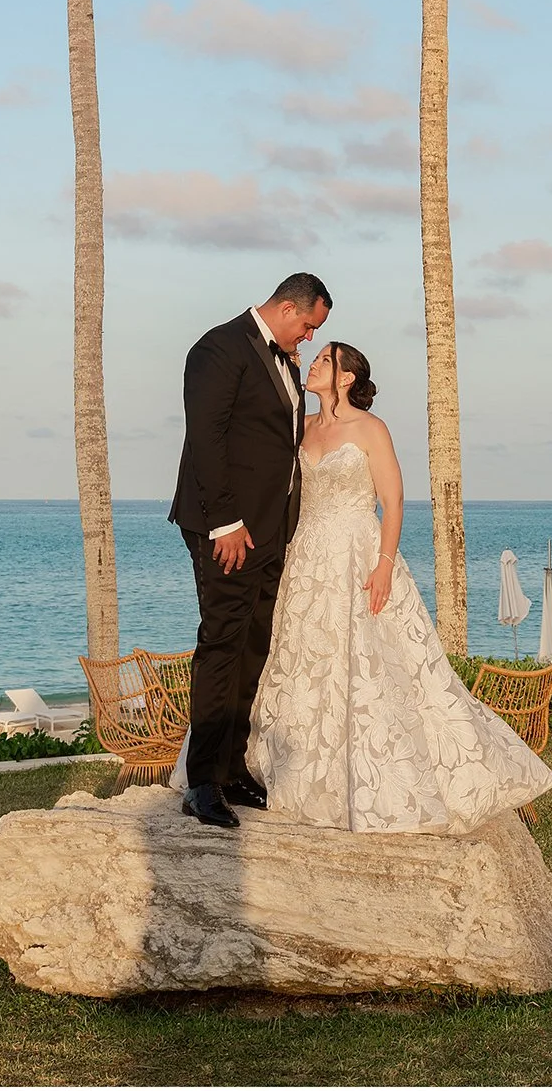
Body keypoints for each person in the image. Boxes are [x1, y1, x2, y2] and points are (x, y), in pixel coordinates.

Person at [245, 341, 552, 833]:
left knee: (376, 668)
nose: (315, 365)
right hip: (307, 555)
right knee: (308, 660)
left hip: (359, 553)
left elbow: (393, 502)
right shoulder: (302, 427)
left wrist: (384, 565)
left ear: (346, 377)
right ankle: (305, 779)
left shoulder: (371, 429)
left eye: (325, 360)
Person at [169, 272, 331, 828]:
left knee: (252, 648)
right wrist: (225, 523)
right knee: (220, 646)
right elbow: (207, 438)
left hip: (270, 531)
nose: (308, 338)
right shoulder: (217, 348)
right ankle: (201, 784)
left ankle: (233, 767)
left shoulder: (283, 362)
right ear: (288, 309)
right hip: (228, 531)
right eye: (309, 326)